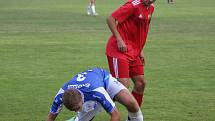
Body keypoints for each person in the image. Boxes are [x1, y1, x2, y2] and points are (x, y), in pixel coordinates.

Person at [105, 0, 156, 108]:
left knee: (140, 83)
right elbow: (110, 18)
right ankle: (91, 106)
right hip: (119, 50)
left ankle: (134, 117)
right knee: (122, 86)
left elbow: (143, 29)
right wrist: (119, 39)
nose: (150, 1)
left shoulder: (151, 7)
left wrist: (140, 49)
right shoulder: (133, 5)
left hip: (134, 51)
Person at [46, 67, 143, 121]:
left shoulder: (96, 92)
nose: (76, 110)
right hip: (89, 91)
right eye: (73, 110)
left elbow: (116, 115)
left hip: (105, 81)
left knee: (131, 103)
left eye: (77, 108)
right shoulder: (60, 96)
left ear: (81, 98)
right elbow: (50, 118)